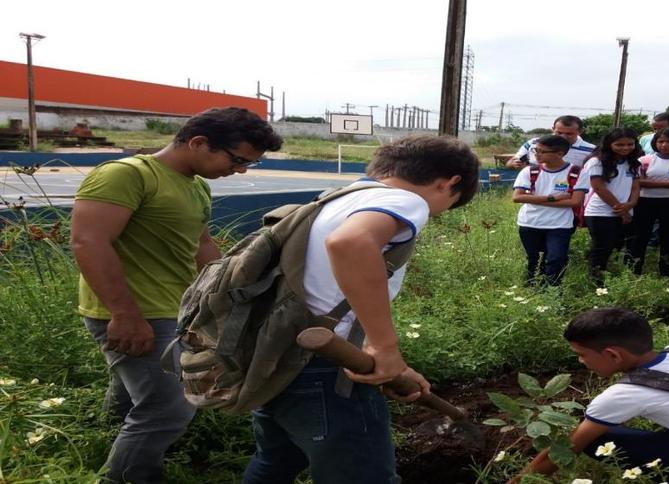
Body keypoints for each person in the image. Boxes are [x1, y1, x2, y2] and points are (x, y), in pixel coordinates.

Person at [242, 135, 480, 483]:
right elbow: (351, 243)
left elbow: (330, 291)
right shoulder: (404, 200)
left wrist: (388, 358)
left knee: (276, 463)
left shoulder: (338, 198)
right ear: (450, 182)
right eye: (448, 204)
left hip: (278, 355)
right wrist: (385, 347)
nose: (434, 213)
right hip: (325, 369)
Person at [71, 107, 283, 483]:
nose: (240, 171)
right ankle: (125, 477)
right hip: (137, 310)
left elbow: (201, 244)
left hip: (177, 308)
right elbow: (89, 242)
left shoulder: (196, 184)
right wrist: (125, 315)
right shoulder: (127, 175)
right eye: (237, 160)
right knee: (168, 409)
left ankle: (96, 445)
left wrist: (229, 293)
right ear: (199, 142)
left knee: (131, 391)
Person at [514, 307, 669, 484]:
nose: (580, 361)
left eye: (582, 354)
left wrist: (518, 480)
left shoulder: (625, 394)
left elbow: (566, 449)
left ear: (613, 355)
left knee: (597, 439)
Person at [511, 135, 588, 286]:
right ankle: (533, 287)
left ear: (560, 153)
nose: (536, 154)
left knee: (556, 258)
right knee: (533, 259)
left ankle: (552, 289)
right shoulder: (530, 171)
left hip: (560, 225)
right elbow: (517, 197)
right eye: (535, 150)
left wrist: (534, 198)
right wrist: (553, 198)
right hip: (530, 223)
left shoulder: (577, 172)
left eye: (542, 151)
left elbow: (575, 201)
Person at [583, 128, 642, 284]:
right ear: (609, 144)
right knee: (602, 246)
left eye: (630, 144)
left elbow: (636, 187)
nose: (625, 148)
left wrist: (631, 204)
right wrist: (622, 210)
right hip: (600, 212)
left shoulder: (634, 163)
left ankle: (608, 275)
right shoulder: (596, 162)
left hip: (626, 210)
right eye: (619, 144)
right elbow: (599, 188)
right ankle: (596, 281)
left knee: (616, 245)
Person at [629, 128, 669, 276]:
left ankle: (667, 271)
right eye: (661, 141)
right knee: (640, 236)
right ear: (655, 143)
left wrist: (651, 182)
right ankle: (633, 269)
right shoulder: (645, 160)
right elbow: (637, 182)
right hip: (645, 202)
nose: (664, 145)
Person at [505, 115, 595, 169]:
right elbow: (510, 162)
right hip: (533, 194)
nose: (563, 136)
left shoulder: (592, 150)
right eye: (559, 133)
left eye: (569, 134)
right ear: (553, 129)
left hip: (570, 196)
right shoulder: (533, 143)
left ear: (580, 132)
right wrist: (513, 164)